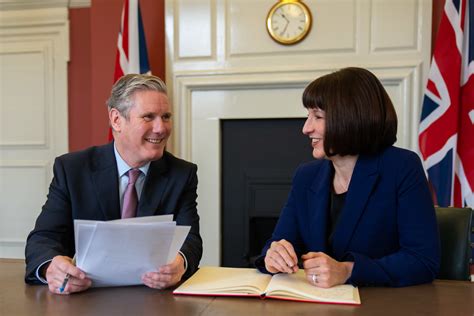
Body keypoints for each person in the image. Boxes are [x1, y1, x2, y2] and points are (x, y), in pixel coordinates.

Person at [255, 67, 440, 288]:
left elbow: (422, 261)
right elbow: (281, 241)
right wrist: (273, 255)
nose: (306, 128)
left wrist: (347, 271)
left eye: (318, 116)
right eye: (308, 116)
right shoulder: (306, 176)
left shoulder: (401, 167)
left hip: (381, 305)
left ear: (350, 118)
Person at [25, 74, 202, 294]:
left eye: (166, 116)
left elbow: (190, 239)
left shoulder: (181, 174)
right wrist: (51, 268)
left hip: (154, 298)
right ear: (116, 120)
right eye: (148, 117)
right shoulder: (72, 170)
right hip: (83, 298)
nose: (161, 128)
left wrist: (180, 263)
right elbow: (43, 238)